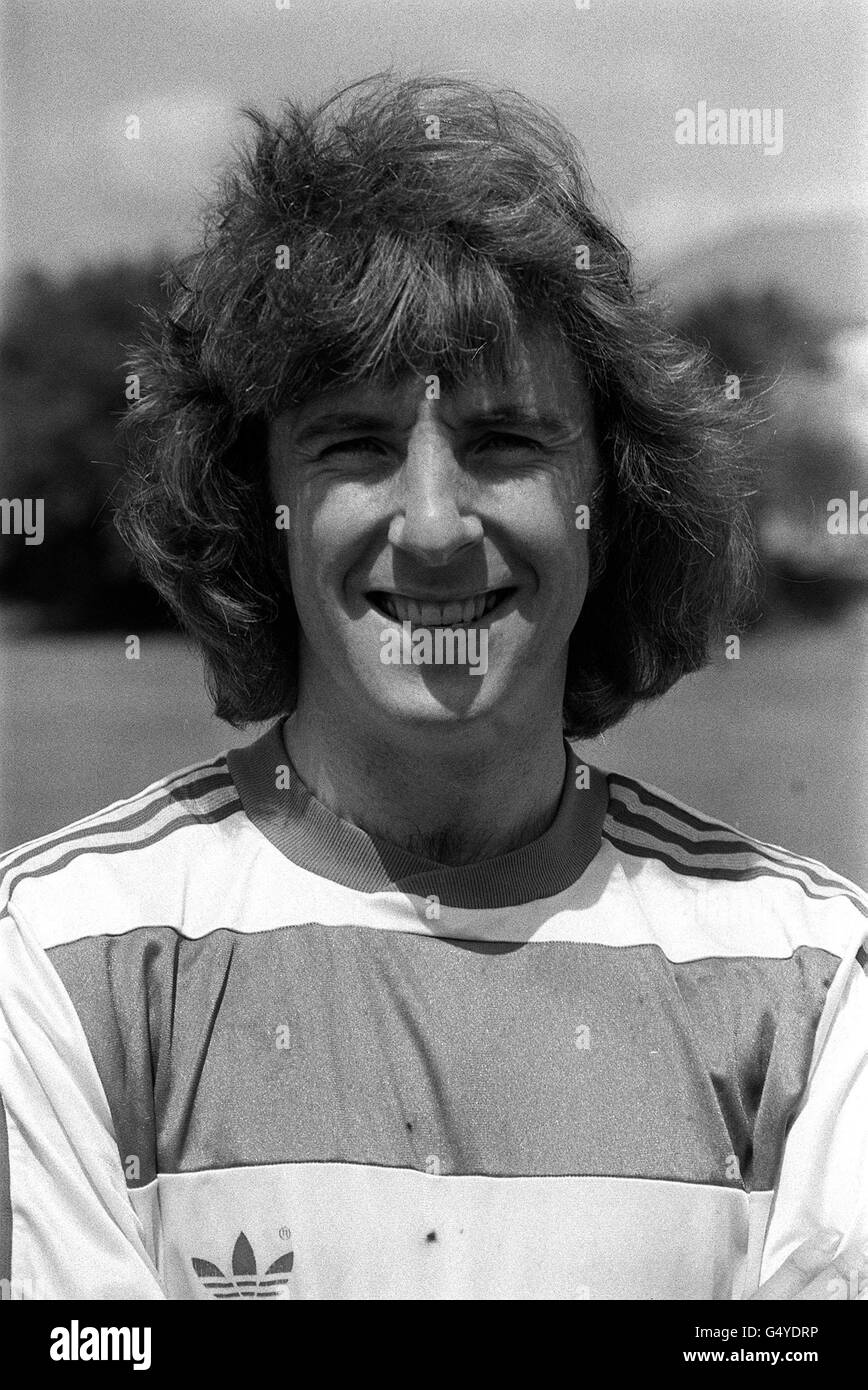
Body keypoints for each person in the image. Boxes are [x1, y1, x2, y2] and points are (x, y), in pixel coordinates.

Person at [1, 75, 865, 1302]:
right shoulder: (53, 963)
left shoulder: (816, 984)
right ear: (262, 506)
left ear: (613, 500)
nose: (433, 523)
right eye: (353, 445)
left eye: (505, 441)